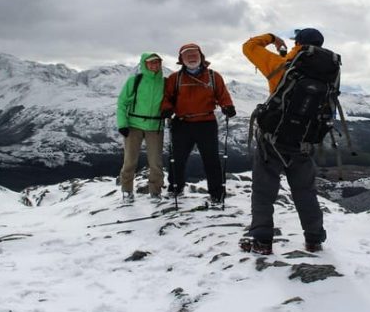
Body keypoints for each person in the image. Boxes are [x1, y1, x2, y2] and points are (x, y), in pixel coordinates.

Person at [241, 28, 328, 254]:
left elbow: (249, 48)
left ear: (297, 43)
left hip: (273, 139)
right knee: (305, 191)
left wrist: (271, 38)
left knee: (264, 190)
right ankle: (314, 239)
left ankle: (262, 241)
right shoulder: (327, 70)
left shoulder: (280, 65)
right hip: (304, 141)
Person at [160, 43, 236, 203]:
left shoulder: (214, 77)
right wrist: (166, 108)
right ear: (181, 59)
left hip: (206, 123)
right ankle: (175, 188)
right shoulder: (175, 78)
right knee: (177, 158)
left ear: (201, 57)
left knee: (211, 159)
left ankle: (216, 193)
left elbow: (222, 94)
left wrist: (227, 106)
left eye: (195, 54)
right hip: (182, 123)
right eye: (188, 55)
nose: (192, 57)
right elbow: (167, 97)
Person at [116, 52, 165, 203]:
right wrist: (122, 124)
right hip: (134, 126)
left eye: (157, 62)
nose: (154, 65)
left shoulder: (165, 82)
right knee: (130, 161)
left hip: (155, 126)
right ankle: (127, 191)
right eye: (151, 62)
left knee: (156, 163)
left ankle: (155, 192)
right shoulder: (135, 81)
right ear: (144, 64)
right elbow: (122, 102)